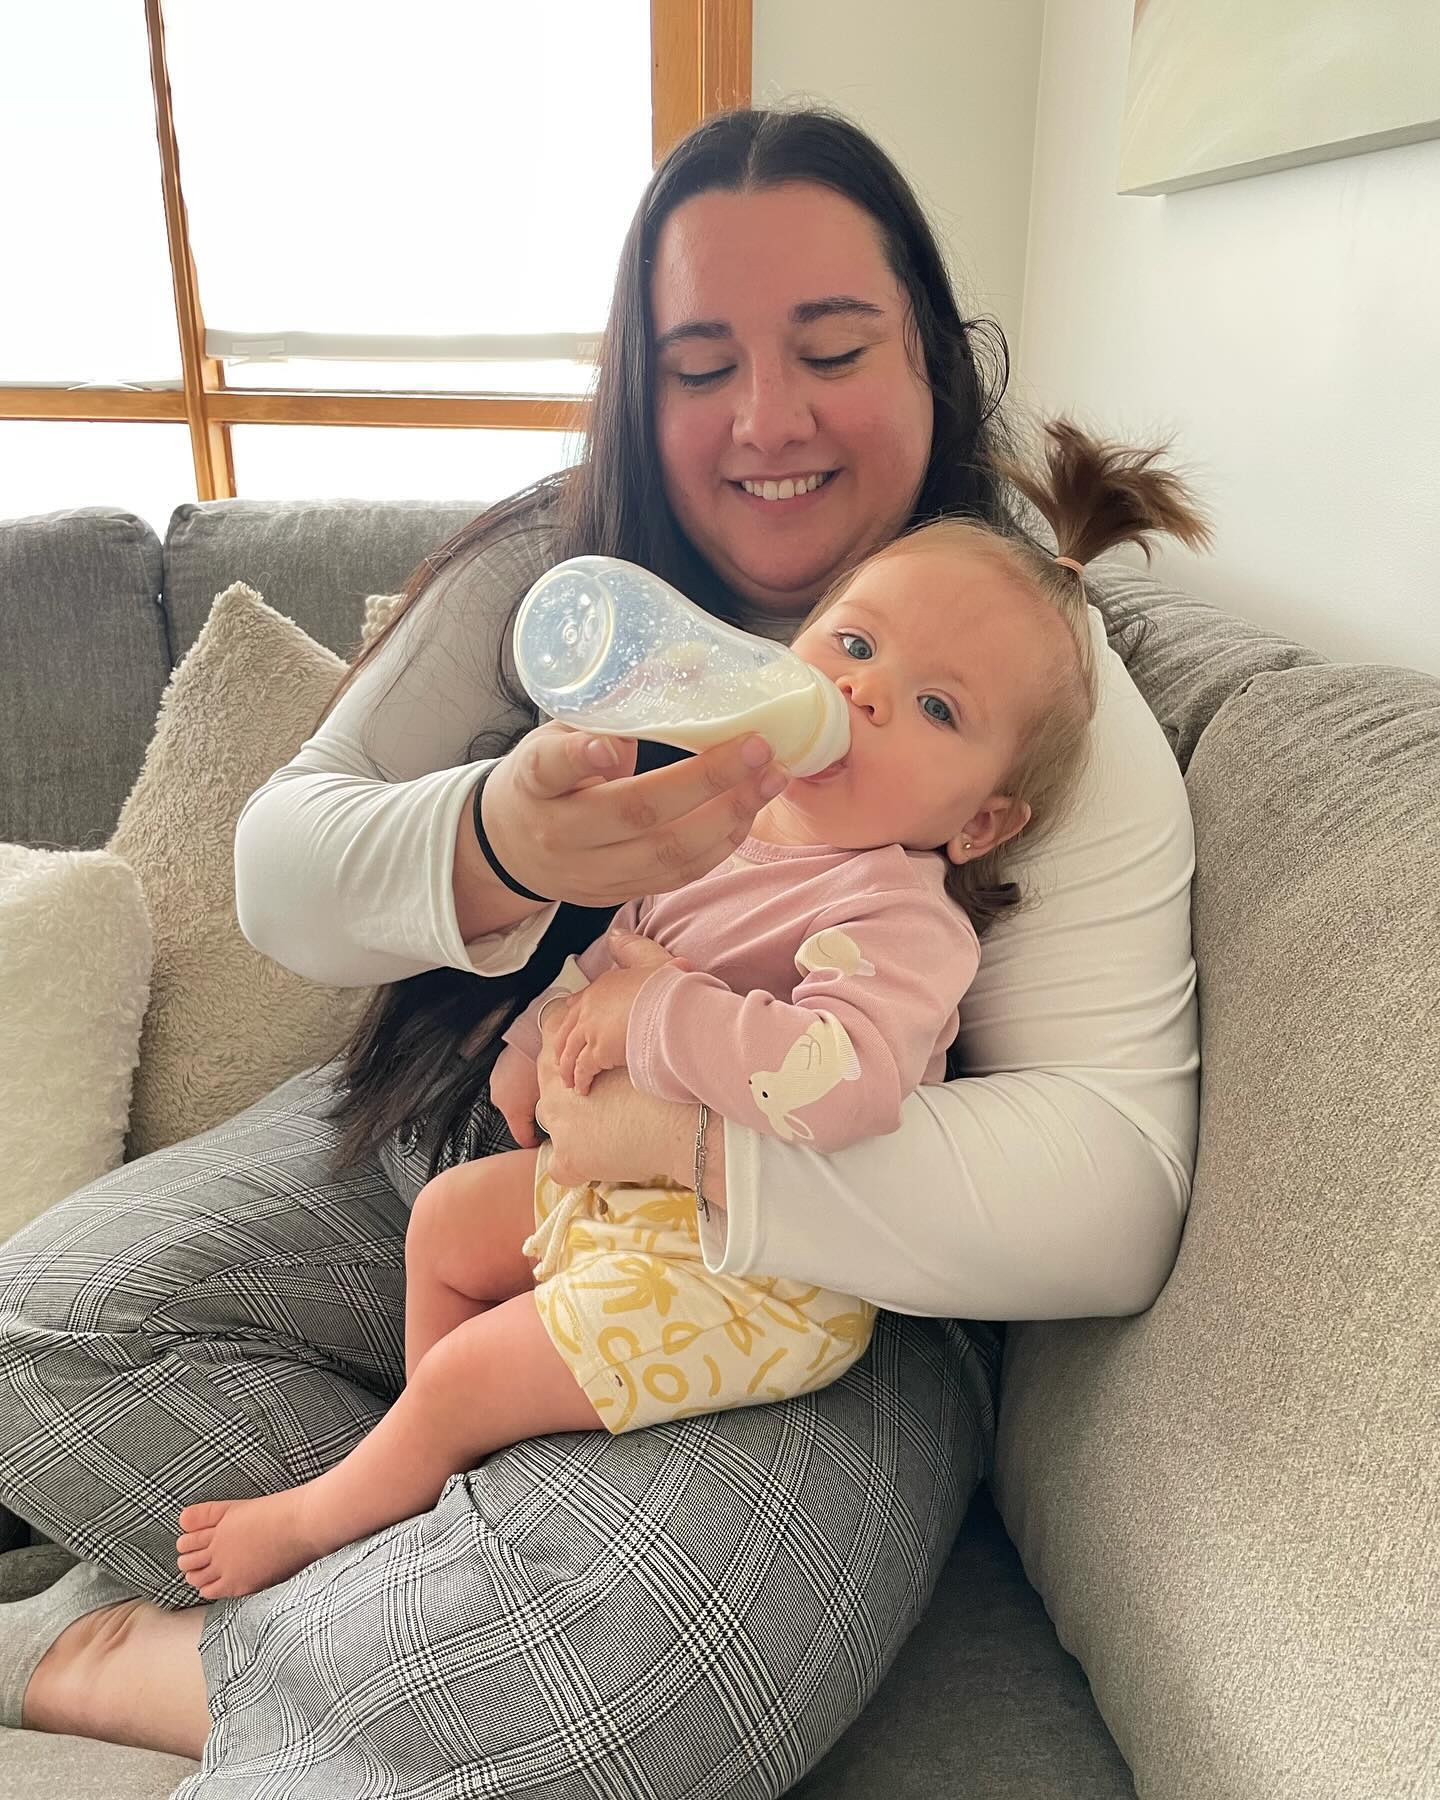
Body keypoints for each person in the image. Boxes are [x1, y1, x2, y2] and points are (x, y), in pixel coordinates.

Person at [0, 107, 1199, 1795]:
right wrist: (493, 839)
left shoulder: (1023, 672)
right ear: (638, 391)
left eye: (833, 350)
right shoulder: (555, 566)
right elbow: (281, 866)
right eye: (700, 365)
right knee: (41, 1332)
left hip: (819, 1267)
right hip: (471, 1131)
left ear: (933, 362)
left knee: (640, 1655)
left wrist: (680, 1138)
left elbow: (1117, 1187)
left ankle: (181, 1656)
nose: (767, 421)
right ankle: (439, 1600)